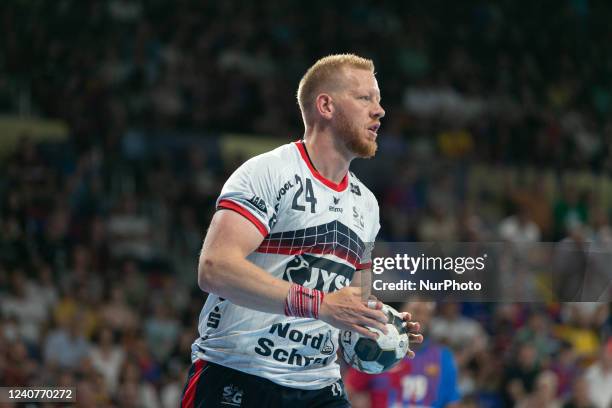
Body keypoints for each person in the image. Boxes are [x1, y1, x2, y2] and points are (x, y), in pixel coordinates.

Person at [180, 54, 422, 408]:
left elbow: (354, 298)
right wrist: (322, 305)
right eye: (365, 98)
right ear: (325, 105)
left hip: (319, 387)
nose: (379, 110)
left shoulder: (368, 205)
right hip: (237, 373)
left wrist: (380, 326)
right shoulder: (268, 172)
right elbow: (215, 268)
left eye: (379, 99)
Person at [345, 301, 460, 408]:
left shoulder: (443, 356)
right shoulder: (376, 350)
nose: (422, 318)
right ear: (400, 315)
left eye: (428, 314)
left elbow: (452, 402)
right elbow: (348, 392)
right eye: (416, 311)